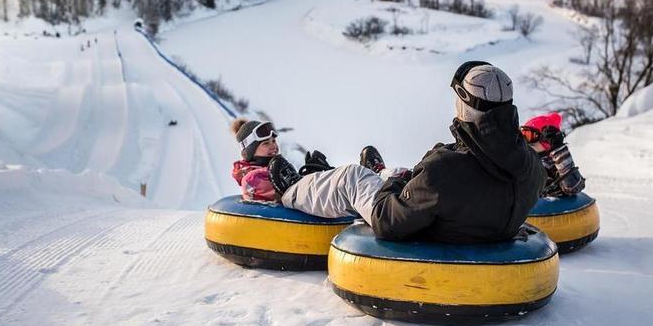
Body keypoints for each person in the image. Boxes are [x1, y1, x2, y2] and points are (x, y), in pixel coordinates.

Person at [265, 61, 546, 244]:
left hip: (429, 232)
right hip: (472, 224)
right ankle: (383, 173)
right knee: (403, 174)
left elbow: (388, 222)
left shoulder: (443, 170)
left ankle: (292, 190)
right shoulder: (531, 164)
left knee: (351, 177)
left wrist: (397, 184)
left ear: (463, 102)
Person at [231, 118, 402, 204]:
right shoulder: (251, 178)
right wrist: (303, 180)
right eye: (266, 143)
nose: (273, 146)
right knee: (345, 180)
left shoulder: (272, 169)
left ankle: (377, 178)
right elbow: (285, 194)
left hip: (305, 198)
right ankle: (372, 183)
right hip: (299, 205)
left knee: (346, 175)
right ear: (251, 151)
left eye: (274, 141)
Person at [520, 112, 585, 197]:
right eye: (523, 135)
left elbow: (574, 187)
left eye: (528, 135)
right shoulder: (525, 161)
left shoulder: (554, 165)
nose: (526, 141)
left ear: (545, 139)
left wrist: (558, 150)